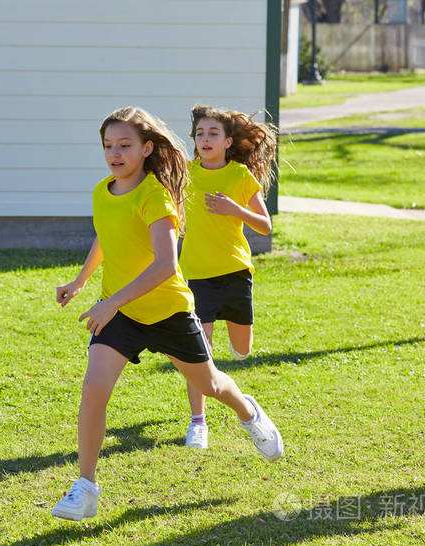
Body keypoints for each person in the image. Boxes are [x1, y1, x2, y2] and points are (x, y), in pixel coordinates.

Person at [51, 106, 283, 522]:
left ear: (147, 149)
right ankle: (85, 487)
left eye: (125, 145)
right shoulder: (103, 191)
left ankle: (248, 412)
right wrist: (82, 282)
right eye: (108, 145)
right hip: (122, 315)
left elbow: (165, 266)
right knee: (93, 389)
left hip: (168, 311)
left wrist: (110, 302)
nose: (115, 153)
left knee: (211, 384)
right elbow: (105, 238)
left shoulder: (156, 196)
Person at [179, 105, 276, 450]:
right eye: (200, 134)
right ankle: (198, 422)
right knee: (199, 354)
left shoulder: (239, 177)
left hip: (235, 272)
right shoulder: (185, 174)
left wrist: (235, 209)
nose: (205, 139)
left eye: (213, 134)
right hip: (196, 274)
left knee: (242, 350)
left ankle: (232, 387)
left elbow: (265, 226)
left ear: (228, 141)